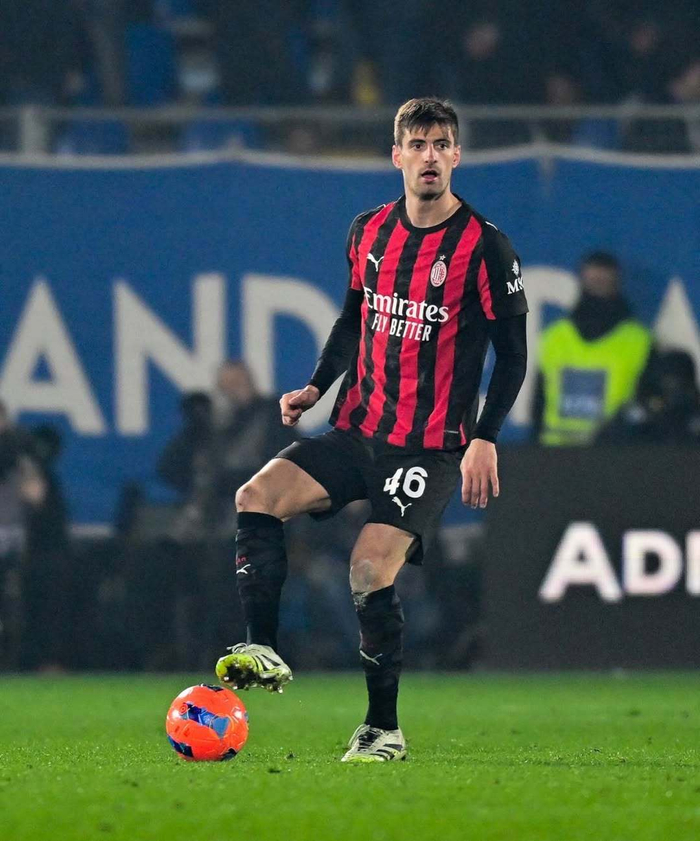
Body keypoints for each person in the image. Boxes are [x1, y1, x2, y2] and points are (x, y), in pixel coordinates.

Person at [214, 98, 528, 762]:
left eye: (441, 144)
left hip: (428, 446)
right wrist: (316, 386)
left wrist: (485, 435)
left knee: (366, 567)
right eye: (417, 144)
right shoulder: (369, 231)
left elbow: (513, 354)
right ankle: (261, 646)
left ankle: (383, 728)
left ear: (456, 156)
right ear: (397, 156)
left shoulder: (484, 246)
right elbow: (354, 318)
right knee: (255, 496)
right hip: (358, 431)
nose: (430, 156)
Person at [533, 252, 652, 446]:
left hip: (613, 453)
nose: (598, 288)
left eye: (604, 282)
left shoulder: (639, 341)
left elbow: (646, 404)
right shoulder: (554, 337)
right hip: (556, 453)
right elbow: (539, 404)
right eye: (594, 281)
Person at [596, 349, 700, 445]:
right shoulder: (636, 415)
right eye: (667, 384)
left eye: (677, 385)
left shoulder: (692, 415)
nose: (672, 392)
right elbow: (603, 444)